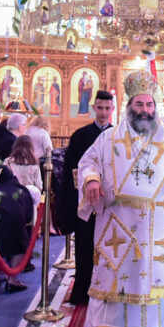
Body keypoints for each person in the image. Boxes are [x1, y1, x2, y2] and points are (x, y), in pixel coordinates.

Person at [77, 71, 164, 327]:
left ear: (155, 108)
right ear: (129, 107)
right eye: (139, 105)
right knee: (114, 273)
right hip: (118, 221)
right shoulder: (108, 138)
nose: (144, 111)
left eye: (149, 105)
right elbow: (89, 162)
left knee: (150, 274)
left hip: (158, 224)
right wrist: (92, 178)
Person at [60, 91, 115, 306]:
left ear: (112, 109)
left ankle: (108, 292)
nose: (103, 112)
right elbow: (72, 169)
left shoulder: (117, 135)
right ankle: (82, 291)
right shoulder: (80, 135)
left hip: (110, 202)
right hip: (87, 201)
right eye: (99, 108)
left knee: (110, 248)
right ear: (94, 108)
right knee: (84, 246)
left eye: (107, 108)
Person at [5, 135, 42, 226]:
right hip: (29, 199)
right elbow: (39, 186)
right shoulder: (34, 164)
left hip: (11, 197)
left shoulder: (7, 162)